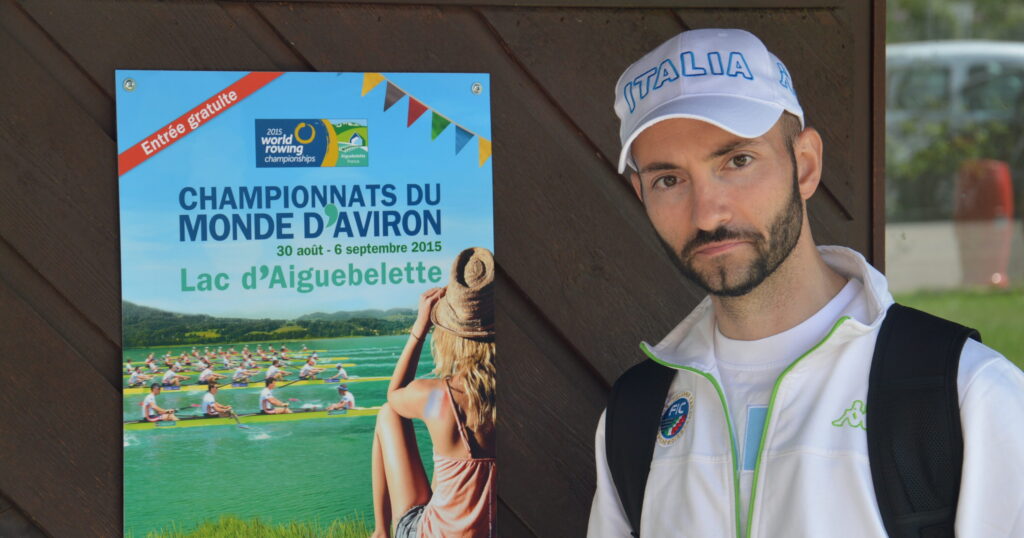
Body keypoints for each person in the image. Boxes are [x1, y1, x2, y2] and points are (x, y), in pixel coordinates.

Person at [587, 28, 1024, 537]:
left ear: (806, 165)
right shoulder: (636, 414)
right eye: (669, 180)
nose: (707, 214)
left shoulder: (965, 392)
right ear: (641, 194)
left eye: (737, 161)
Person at [370, 247, 496, 538]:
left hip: (429, 533)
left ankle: (380, 531)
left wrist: (419, 328)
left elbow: (394, 396)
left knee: (389, 414)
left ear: (448, 334)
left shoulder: (439, 397)